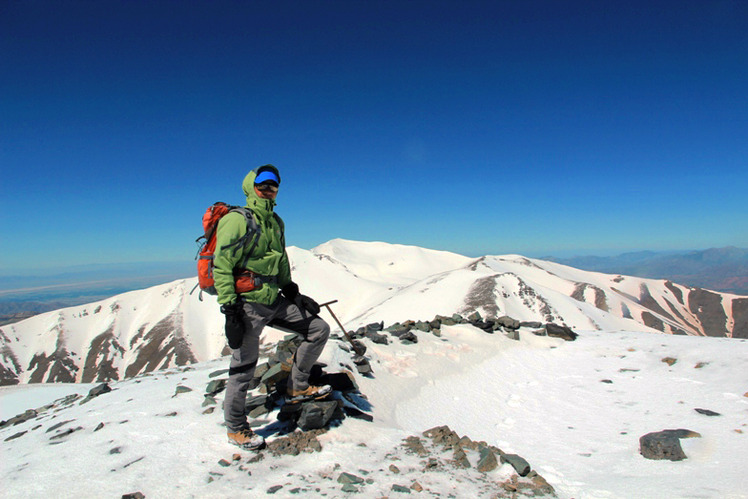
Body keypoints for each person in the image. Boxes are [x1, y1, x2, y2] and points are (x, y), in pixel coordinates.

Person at [213, 164, 331, 449]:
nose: (268, 189)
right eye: (263, 184)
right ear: (251, 186)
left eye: (273, 185)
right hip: (248, 305)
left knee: (318, 328)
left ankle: (297, 387)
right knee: (243, 368)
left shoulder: (276, 222)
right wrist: (230, 309)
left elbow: (279, 261)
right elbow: (222, 265)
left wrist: (291, 291)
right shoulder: (236, 220)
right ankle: (236, 428)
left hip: (274, 300)